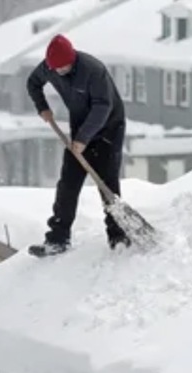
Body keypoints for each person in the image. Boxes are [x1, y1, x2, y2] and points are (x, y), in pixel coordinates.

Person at [26, 34, 131, 256]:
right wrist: (42, 107)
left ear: (72, 59)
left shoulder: (93, 70)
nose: (59, 72)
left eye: (63, 67)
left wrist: (83, 139)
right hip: (80, 129)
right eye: (55, 69)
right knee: (68, 184)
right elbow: (33, 82)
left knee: (108, 184)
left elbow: (103, 106)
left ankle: (118, 236)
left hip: (109, 130)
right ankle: (58, 238)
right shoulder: (50, 67)